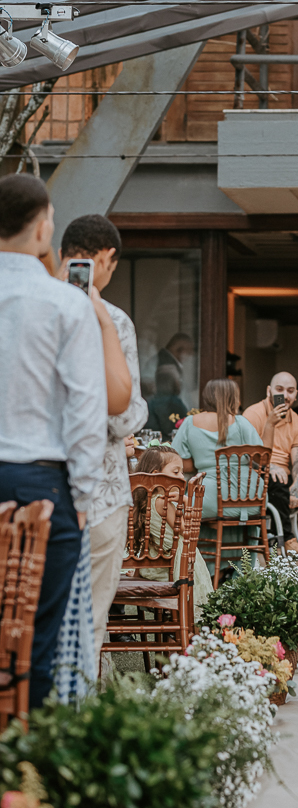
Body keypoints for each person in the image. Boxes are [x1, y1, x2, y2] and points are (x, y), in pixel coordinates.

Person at [0, 174, 107, 707]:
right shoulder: (66, 303)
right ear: (44, 228)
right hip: (41, 484)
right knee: (36, 643)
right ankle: (27, 746)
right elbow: (85, 411)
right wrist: (82, 498)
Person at [59, 214, 149, 660]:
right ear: (107, 257)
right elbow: (122, 417)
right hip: (100, 491)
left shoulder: (29, 307)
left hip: (34, 488)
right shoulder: (110, 319)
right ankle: (77, 703)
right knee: (89, 623)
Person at [243, 372, 298, 555]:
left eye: (290, 391)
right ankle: (288, 539)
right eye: (279, 390)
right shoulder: (253, 414)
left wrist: (296, 488)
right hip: (258, 477)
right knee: (277, 478)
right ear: (269, 391)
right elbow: (245, 456)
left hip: (283, 477)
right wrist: (269, 467)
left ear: (295, 395)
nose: (285, 395)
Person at [133, 445, 213, 614]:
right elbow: (186, 531)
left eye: (182, 472)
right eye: (176, 472)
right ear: (156, 475)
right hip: (169, 569)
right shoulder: (162, 502)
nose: (181, 477)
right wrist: (185, 501)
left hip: (153, 565)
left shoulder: (147, 500)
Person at [171, 379, 266, 518]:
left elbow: (178, 463)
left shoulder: (189, 423)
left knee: (180, 507)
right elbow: (262, 459)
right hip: (249, 496)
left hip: (207, 497)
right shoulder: (241, 423)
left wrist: (201, 462)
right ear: (232, 398)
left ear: (207, 397)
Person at [146, 365, 188, 439]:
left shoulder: (150, 404)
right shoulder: (175, 403)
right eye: (178, 380)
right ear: (173, 383)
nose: (180, 384)